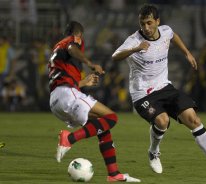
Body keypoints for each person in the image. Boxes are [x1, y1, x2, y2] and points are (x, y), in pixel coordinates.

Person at [112, 4, 206, 175]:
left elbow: (173, 36)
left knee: (193, 119)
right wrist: (135, 49)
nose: (146, 28)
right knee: (163, 121)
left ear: (157, 21)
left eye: (149, 23)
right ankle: (153, 152)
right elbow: (115, 56)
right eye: (142, 24)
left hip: (164, 87)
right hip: (142, 93)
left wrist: (187, 52)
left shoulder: (165, 31)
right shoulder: (134, 40)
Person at [48, 21, 140, 182]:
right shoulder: (72, 42)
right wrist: (90, 64)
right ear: (78, 35)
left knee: (103, 127)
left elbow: (62, 80)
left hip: (57, 100)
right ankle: (69, 139)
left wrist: (84, 83)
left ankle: (113, 174)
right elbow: (72, 48)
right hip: (67, 94)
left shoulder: (57, 48)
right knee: (111, 118)